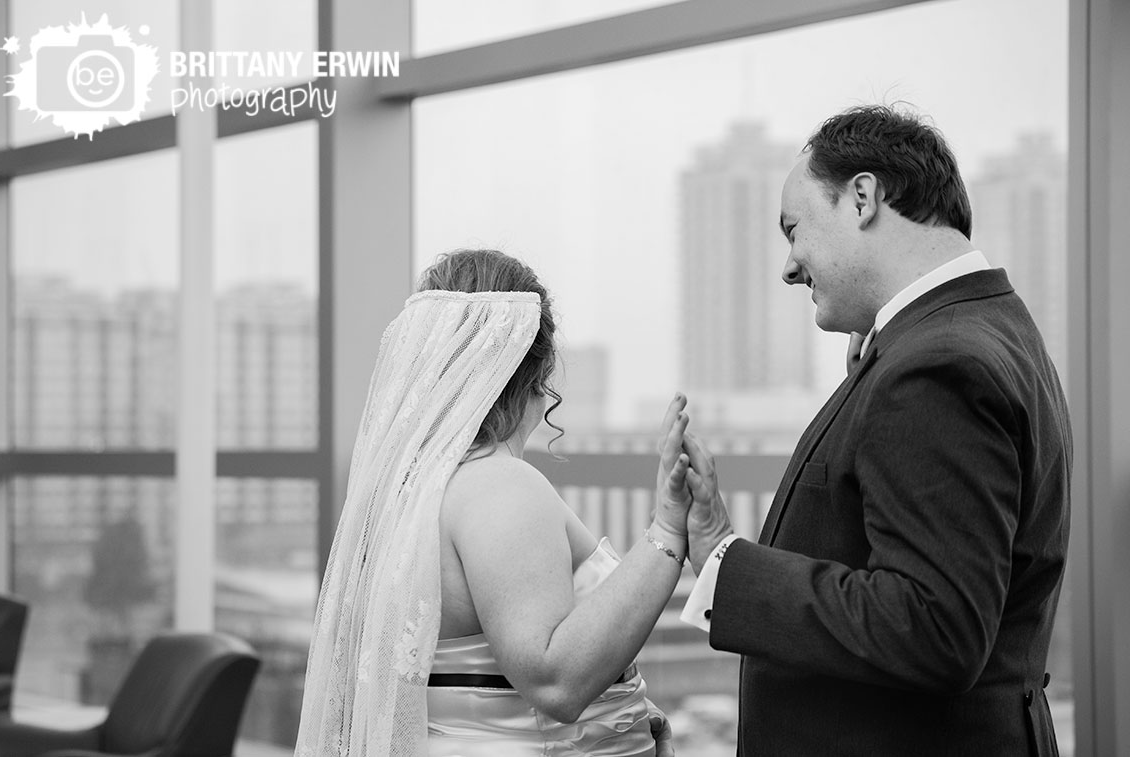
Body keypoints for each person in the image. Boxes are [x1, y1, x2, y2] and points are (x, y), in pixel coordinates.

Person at [678, 105, 1071, 756]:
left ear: (862, 197)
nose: (789, 267)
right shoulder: (990, 330)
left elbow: (935, 625)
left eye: (793, 229)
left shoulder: (934, 368)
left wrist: (725, 564)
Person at [296, 249, 692, 756]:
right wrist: (667, 529)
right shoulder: (499, 485)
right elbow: (555, 683)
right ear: (535, 370)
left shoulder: (404, 494)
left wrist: (620, 716)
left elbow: (464, 684)